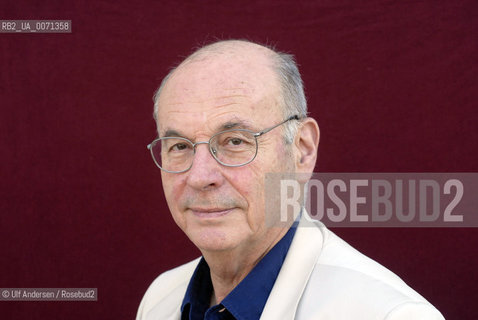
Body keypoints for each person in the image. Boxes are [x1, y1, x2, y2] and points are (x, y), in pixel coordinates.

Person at [137, 39, 444, 320]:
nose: (200, 176)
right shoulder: (159, 299)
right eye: (179, 146)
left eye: (235, 142)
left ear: (302, 150)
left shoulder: (392, 314)